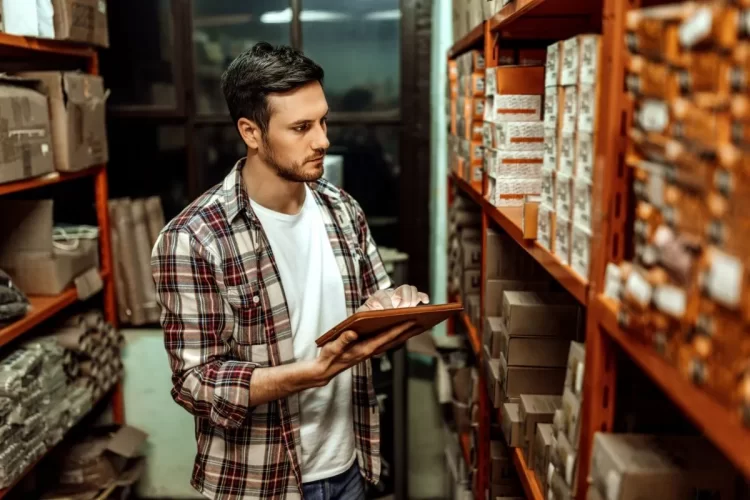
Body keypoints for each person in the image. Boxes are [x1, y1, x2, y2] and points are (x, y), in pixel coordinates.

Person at [151, 42, 429, 500]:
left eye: (323, 121)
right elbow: (194, 383)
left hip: (350, 466)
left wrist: (391, 306)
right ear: (251, 132)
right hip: (260, 482)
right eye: (301, 127)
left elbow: (371, 304)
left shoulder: (342, 209)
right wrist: (311, 372)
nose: (322, 139)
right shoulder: (194, 239)